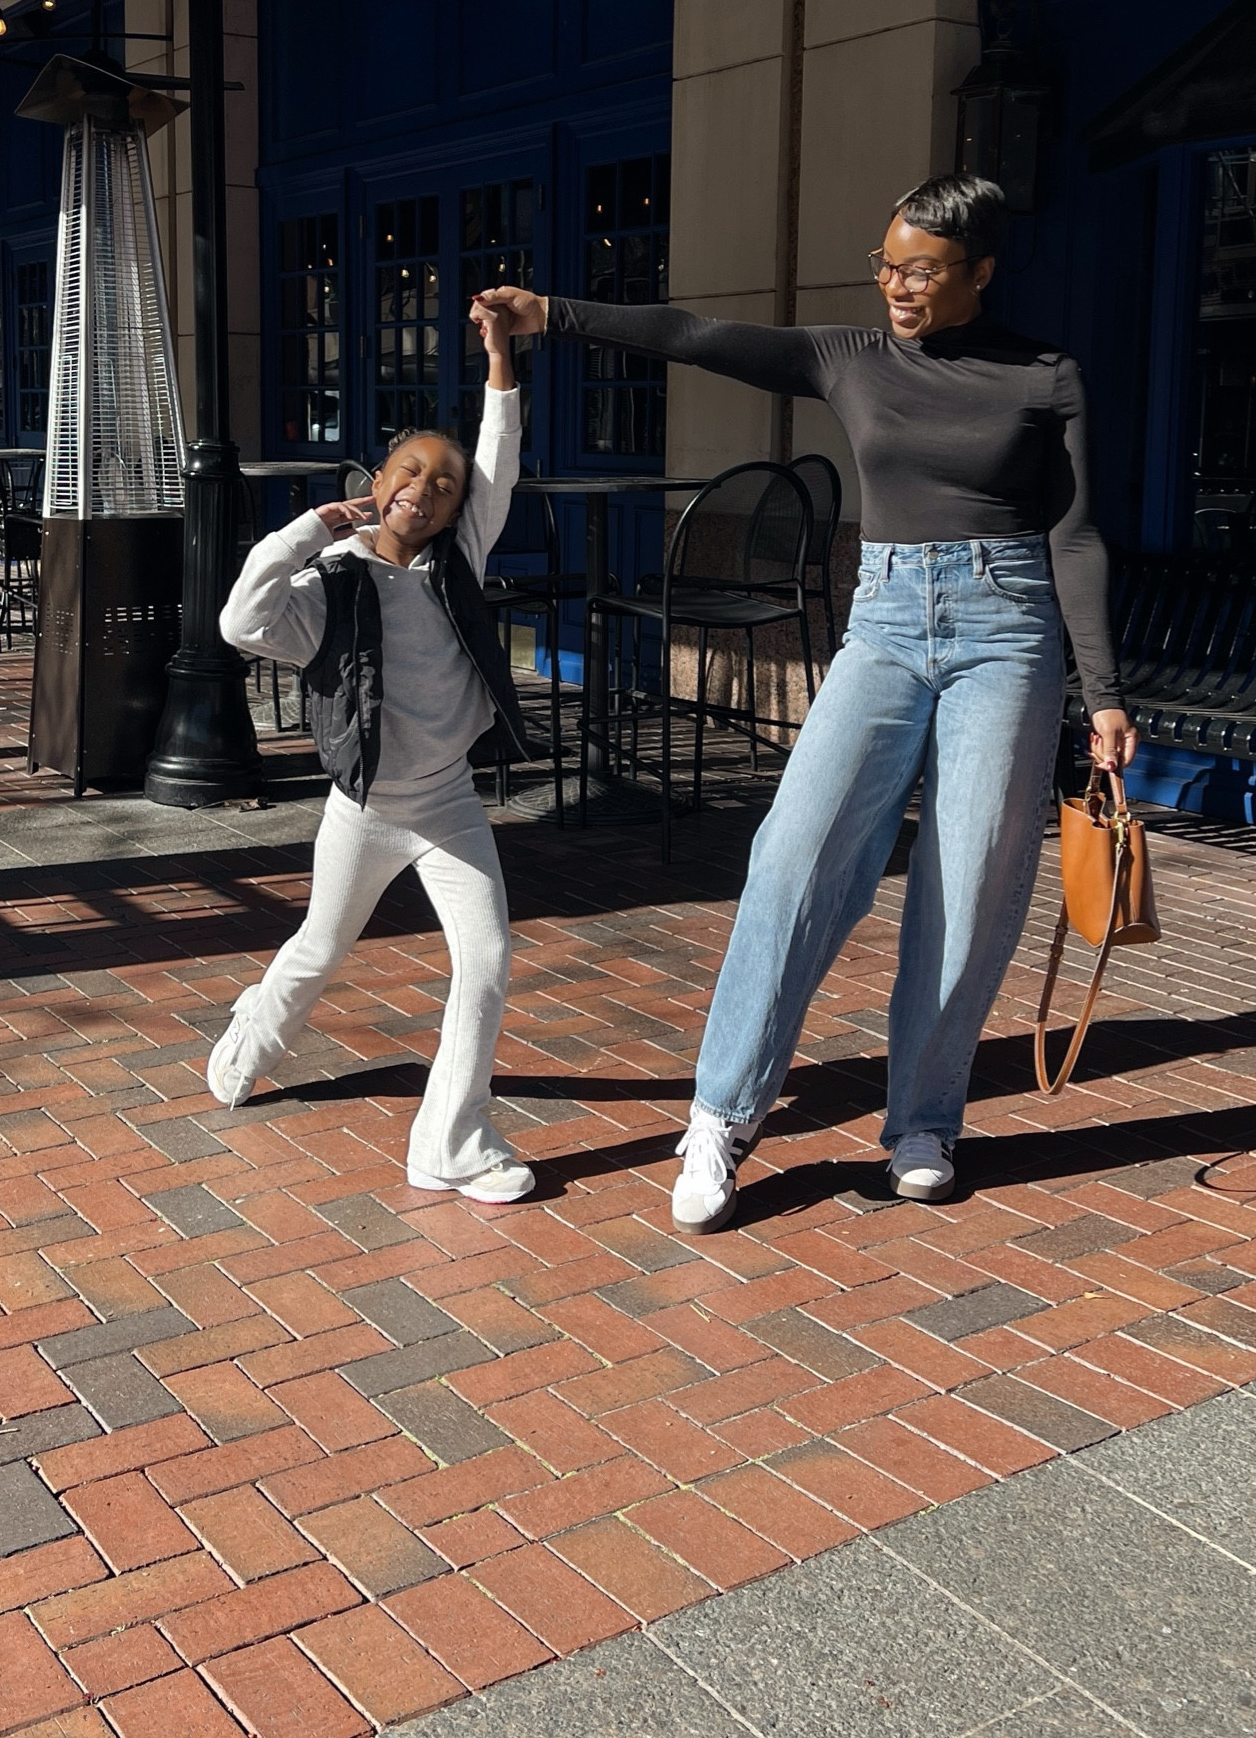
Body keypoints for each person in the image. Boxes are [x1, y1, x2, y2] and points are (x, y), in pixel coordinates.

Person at [481, 173, 1136, 1231]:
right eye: (886, 264)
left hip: (1007, 627)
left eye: (921, 269)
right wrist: (555, 314)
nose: (897, 285)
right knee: (792, 858)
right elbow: (696, 333)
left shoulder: (1045, 375)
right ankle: (722, 1113)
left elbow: (1073, 534)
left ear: (980, 270)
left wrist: (1102, 690)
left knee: (969, 884)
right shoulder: (851, 355)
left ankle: (923, 1120)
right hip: (882, 622)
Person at [205, 300, 536, 1204]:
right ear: (377, 479)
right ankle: (254, 1037)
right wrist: (310, 527)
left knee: (490, 958)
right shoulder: (329, 582)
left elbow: (498, 458)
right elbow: (239, 623)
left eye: (444, 484)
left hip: (450, 805)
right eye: (409, 472)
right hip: (366, 811)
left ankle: (451, 1142)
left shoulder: (458, 559)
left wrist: (500, 357)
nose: (424, 491)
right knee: (320, 945)